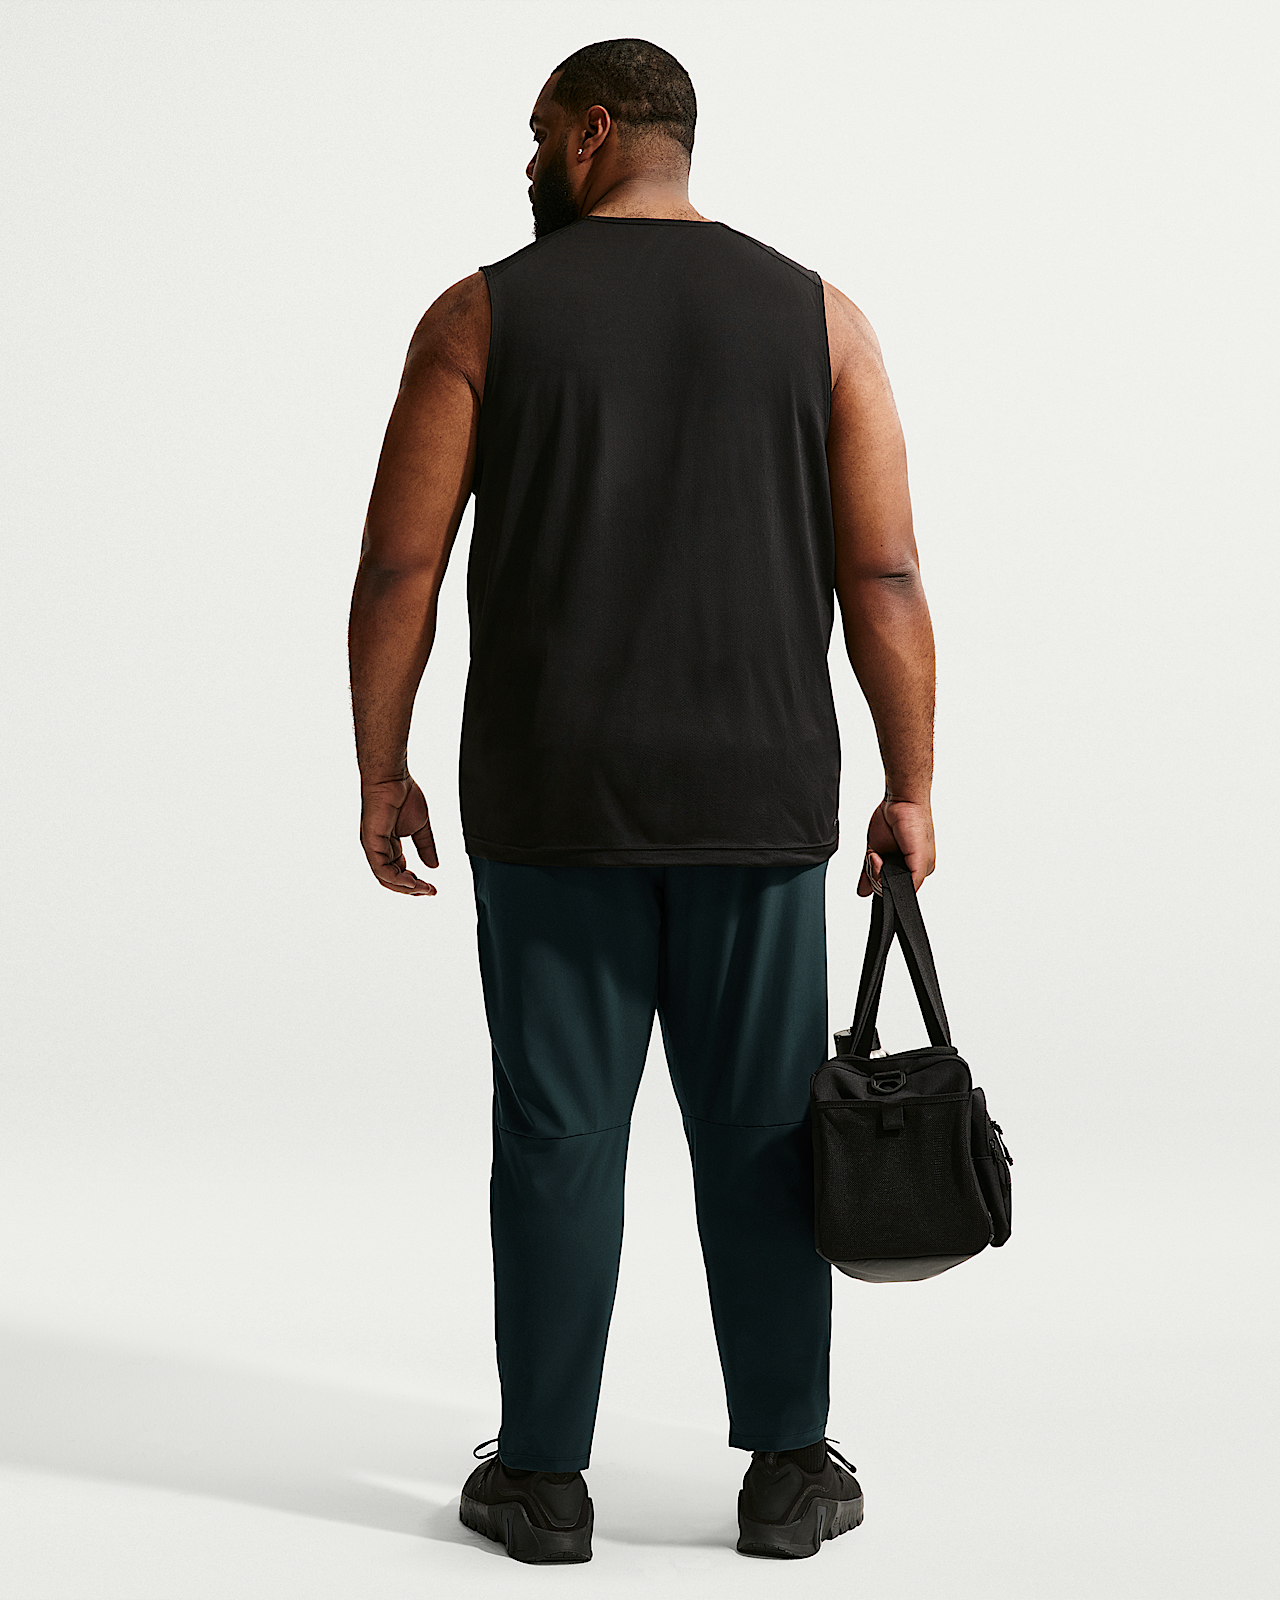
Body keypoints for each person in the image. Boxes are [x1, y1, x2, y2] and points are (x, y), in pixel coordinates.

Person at [348, 37, 935, 1565]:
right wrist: (912, 785)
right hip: (758, 801)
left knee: (557, 1134)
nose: (526, 160)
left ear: (594, 133)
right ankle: (788, 1474)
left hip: (553, 802)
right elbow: (881, 572)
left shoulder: (480, 314)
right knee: (764, 1133)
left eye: (538, 133)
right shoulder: (823, 317)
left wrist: (382, 763)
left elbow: (402, 567)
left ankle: (543, 1482)